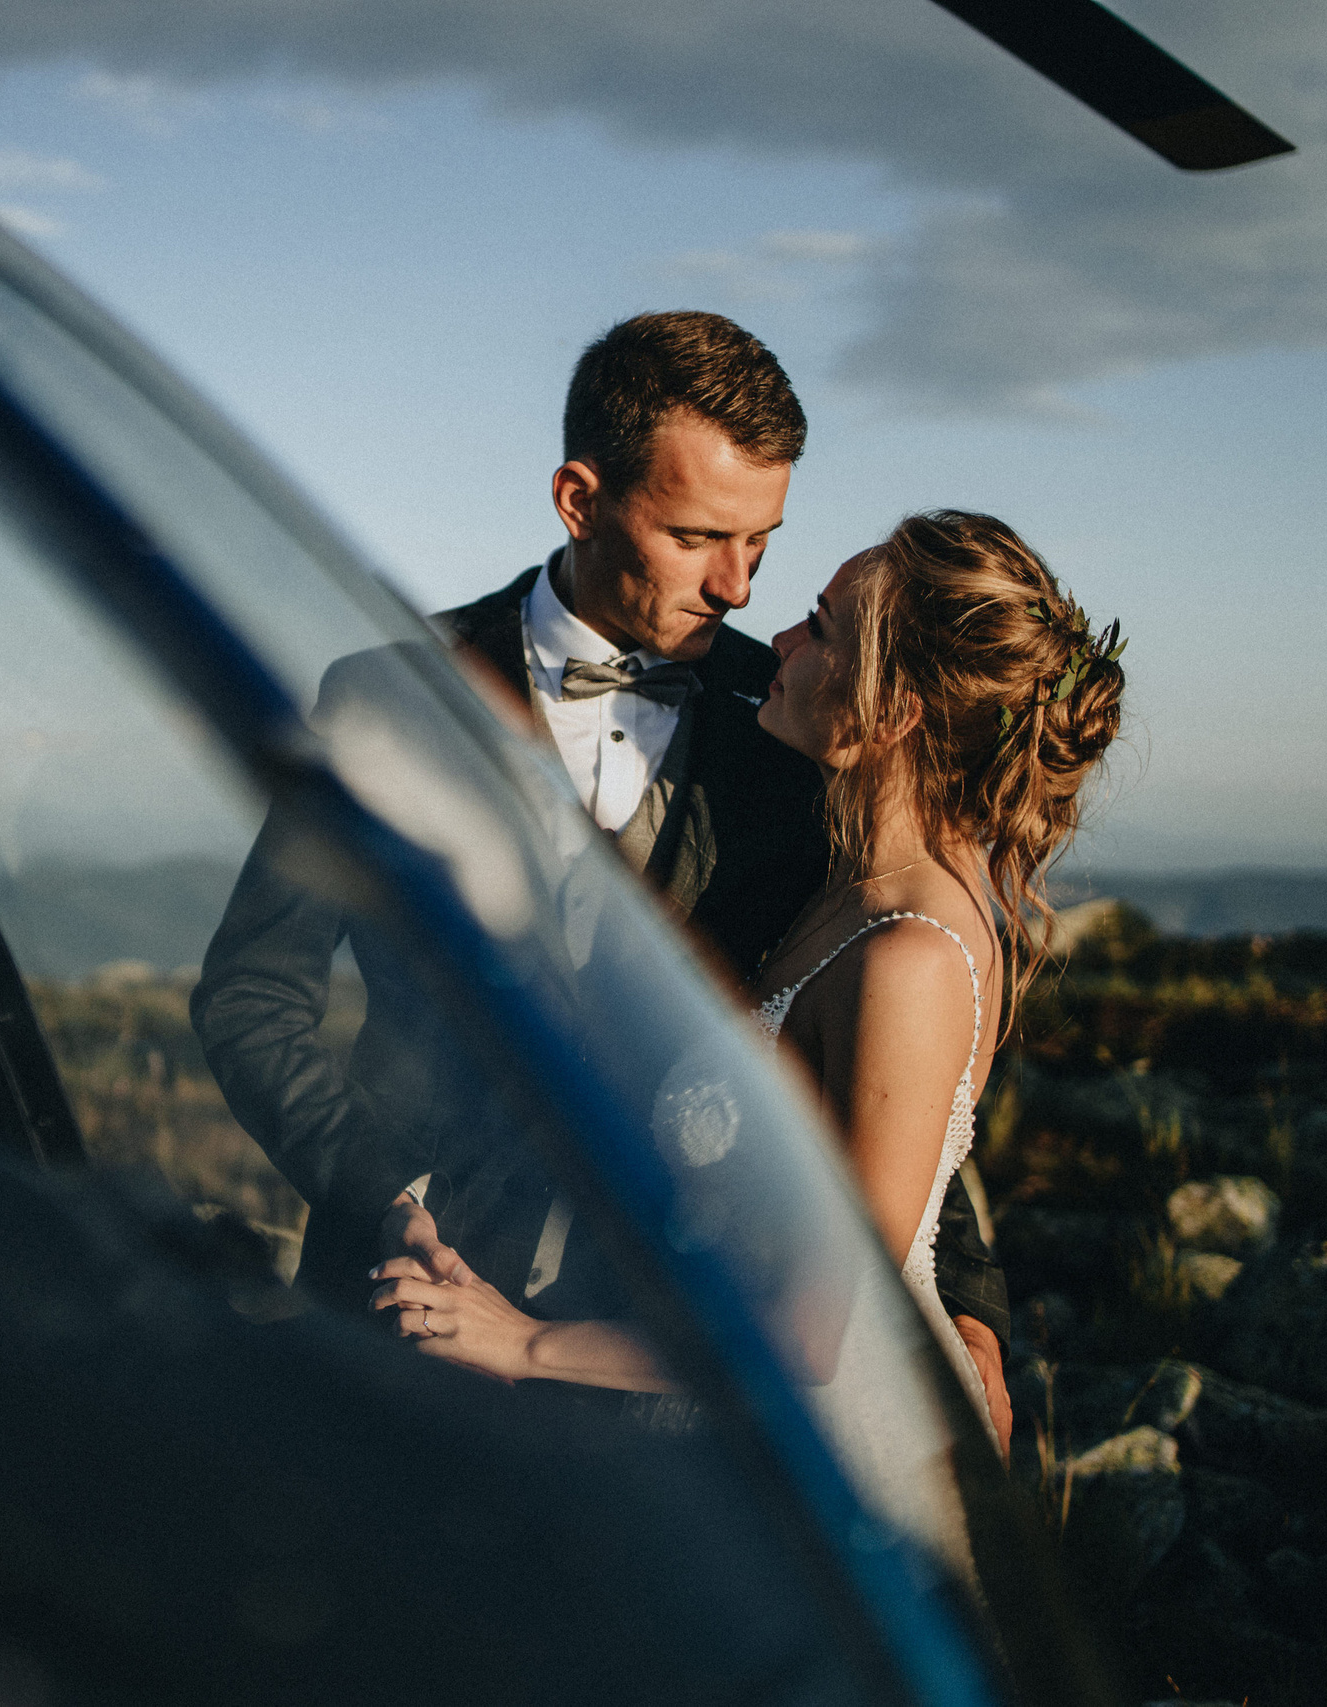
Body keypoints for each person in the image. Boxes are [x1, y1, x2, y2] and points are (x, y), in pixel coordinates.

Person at [191, 312, 1014, 1431]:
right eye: (696, 536)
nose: (736, 586)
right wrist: (375, 1190)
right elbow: (252, 992)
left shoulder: (797, 726)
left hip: (657, 1349)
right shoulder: (384, 695)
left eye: (762, 542)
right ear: (578, 499)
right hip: (399, 1318)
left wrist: (963, 1299)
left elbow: (877, 1036)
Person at [368, 512, 1123, 1495]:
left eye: (821, 627)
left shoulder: (911, 959)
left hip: (823, 1454)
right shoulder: (851, 892)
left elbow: (810, 1334)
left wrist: (524, 1346)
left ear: (888, 707)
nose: (778, 640)